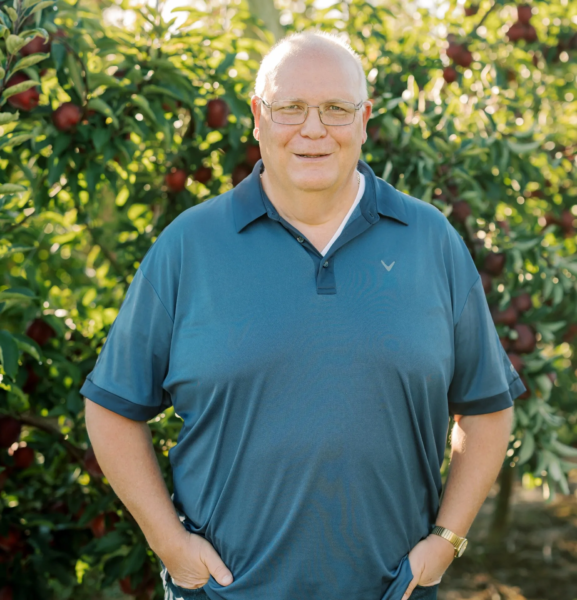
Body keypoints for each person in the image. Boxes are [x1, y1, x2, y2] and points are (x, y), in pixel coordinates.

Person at [81, 30, 527, 600]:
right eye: (290, 107)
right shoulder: (189, 246)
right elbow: (112, 407)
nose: (313, 129)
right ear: (257, 116)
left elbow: (487, 408)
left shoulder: (431, 241)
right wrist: (170, 544)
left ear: (364, 119)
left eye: (336, 109)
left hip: (391, 592)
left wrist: (446, 540)